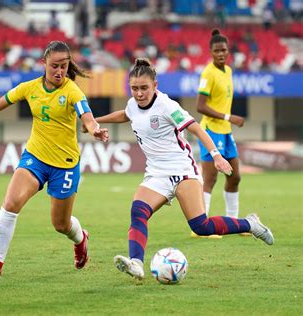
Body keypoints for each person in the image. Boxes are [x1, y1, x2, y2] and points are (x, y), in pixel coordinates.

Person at [90, 58, 273, 281]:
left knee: (201, 226)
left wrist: (216, 156)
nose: (139, 93)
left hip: (182, 171)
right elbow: (125, 114)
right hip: (156, 175)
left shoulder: (168, 106)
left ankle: (250, 224)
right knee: (138, 212)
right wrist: (94, 122)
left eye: (144, 88)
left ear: (155, 85)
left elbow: (196, 129)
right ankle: (136, 264)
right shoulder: (132, 104)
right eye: (135, 88)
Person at [0, 41, 109, 278]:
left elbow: (87, 117)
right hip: (35, 158)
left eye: (63, 66)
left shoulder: (73, 91)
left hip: (65, 165)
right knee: (10, 204)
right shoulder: (29, 88)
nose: (59, 71)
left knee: (61, 225)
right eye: (54, 66)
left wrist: (95, 130)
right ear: (44, 64)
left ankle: (81, 239)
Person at [196, 29, 249, 238]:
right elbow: (200, 106)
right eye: (217, 50)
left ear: (228, 51)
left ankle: (233, 222)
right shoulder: (208, 73)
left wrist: (228, 122)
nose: (221, 53)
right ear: (210, 51)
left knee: (235, 177)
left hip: (225, 132)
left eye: (224, 50)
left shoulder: (228, 71)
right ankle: (200, 227)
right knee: (210, 178)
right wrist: (229, 117)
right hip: (211, 130)